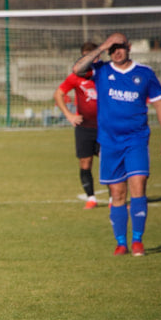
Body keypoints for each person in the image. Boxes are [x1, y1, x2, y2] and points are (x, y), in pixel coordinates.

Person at [73, 32, 161, 256]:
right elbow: (77, 69)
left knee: (138, 187)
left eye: (119, 47)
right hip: (109, 143)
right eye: (112, 48)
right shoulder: (102, 71)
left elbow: (160, 106)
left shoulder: (144, 74)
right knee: (117, 194)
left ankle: (138, 240)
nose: (116, 51)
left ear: (129, 47)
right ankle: (121, 243)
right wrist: (102, 46)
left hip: (136, 140)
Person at [54, 41, 101, 209]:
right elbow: (58, 94)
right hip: (84, 128)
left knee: (109, 161)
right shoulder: (76, 77)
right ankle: (91, 198)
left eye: (95, 56)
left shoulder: (104, 74)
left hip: (105, 127)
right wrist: (69, 115)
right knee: (85, 163)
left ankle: (113, 199)